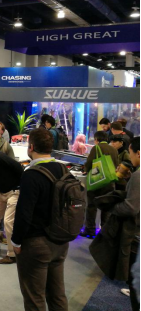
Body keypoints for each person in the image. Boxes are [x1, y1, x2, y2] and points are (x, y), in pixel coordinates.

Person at [11, 128, 72, 311]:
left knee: (34, 298)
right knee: (57, 295)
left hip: (36, 244)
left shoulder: (31, 174)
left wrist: (16, 241)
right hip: (60, 241)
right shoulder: (63, 169)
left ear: (31, 147)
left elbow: (24, 212)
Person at [109, 136, 140, 311]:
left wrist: (112, 207)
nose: (130, 156)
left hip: (136, 234)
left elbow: (131, 207)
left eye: (131, 152)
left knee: (135, 279)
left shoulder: (138, 176)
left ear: (138, 153)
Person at [81, 130, 120, 239]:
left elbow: (89, 163)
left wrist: (85, 170)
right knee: (106, 207)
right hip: (109, 182)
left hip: (97, 181)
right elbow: (116, 164)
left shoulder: (96, 148)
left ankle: (90, 230)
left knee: (92, 206)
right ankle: (104, 231)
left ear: (96, 139)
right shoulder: (114, 149)